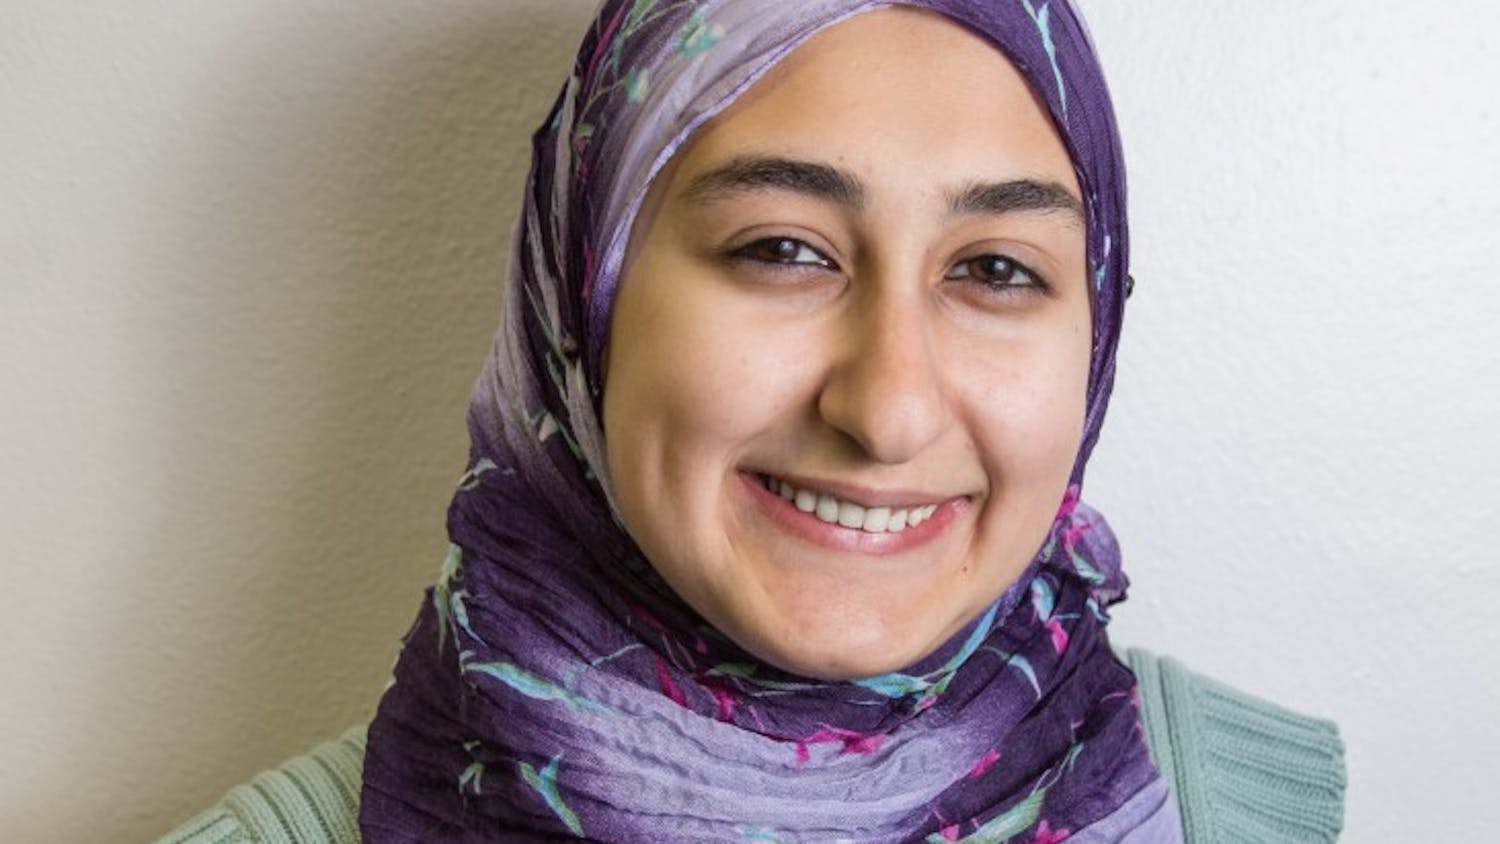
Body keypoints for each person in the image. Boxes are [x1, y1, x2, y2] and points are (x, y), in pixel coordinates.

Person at [157, 1, 1346, 841]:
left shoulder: (1247, 812)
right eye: (782, 249)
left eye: (994, 268)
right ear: (580, 301)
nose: (888, 410)